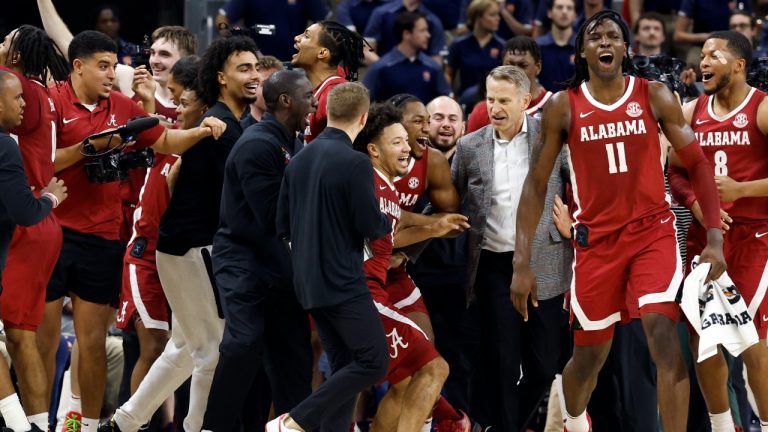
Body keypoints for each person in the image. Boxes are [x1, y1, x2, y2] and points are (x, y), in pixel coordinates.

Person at [511, 10, 727, 432]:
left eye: (614, 35)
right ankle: (574, 422)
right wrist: (523, 262)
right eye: (596, 36)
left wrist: (714, 237)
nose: (605, 41)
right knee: (589, 357)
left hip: (653, 232)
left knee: (662, 339)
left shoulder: (654, 95)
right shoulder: (563, 107)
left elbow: (698, 165)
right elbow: (535, 187)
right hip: (597, 243)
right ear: (583, 51)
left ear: (626, 48)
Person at [30, 14, 225, 431]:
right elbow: (43, 162)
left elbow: (166, 139)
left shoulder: (121, 105)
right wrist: (91, 147)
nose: (110, 74)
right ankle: (37, 423)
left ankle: (88, 424)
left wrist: (204, 132)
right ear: (77, 65)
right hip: (51, 231)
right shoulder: (52, 100)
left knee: (95, 344)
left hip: (102, 237)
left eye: (112, 65)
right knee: (43, 342)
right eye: (103, 65)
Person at [97, 34, 258, 432]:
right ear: (220, 79)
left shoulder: (227, 124)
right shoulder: (216, 125)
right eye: (244, 68)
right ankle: (197, 427)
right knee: (211, 352)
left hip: (184, 249)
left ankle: (125, 421)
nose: (254, 76)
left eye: (256, 67)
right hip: (188, 250)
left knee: (185, 348)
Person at [451, 65, 571, 430]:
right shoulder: (469, 146)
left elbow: (582, 192)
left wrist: (575, 226)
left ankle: (508, 424)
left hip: (546, 263)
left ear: (525, 101)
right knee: (502, 362)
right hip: (493, 266)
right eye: (490, 99)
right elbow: (448, 200)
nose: (495, 107)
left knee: (544, 365)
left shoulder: (551, 140)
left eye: (504, 100)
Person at [202, 69, 317, 431]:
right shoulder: (258, 144)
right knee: (244, 342)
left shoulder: (292, 143)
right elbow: (271, 215)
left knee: (294, 357)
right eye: (308, 96)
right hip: (242, 260)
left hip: (279, 265)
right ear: (285, 101)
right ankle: (212, 426)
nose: (314, 102)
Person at [271, 82, 390, 432]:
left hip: (307, 283)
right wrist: (385, 219)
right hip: (342, 280)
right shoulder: (355, 162)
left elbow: (283, 225)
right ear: (364, 117)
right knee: (373, 361)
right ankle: (295, 420)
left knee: (344, 365)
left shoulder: (299, 159)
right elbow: (370, 223)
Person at [668, 30, 768, 432]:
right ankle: (723, 425)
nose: (703, 62)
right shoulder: (693, 111)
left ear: (739, 65)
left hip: (754, 236)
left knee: (750, 340)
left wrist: (742, 190)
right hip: (706, 237)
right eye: (702, 55)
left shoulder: (761, 108)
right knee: (700, 338)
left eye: (714, 55)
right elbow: (674, 168)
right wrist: (694, 201)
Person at [353, 102, 468, 432]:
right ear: (375, 148)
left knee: (415, 374)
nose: (412, 142)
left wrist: (433, 228)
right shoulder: (363, 180)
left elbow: (396, 226)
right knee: (431, 369)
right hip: (362, 288)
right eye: (400, 139)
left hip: (390, 278)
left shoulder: (390, 181)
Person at [113, 60, 205, 403]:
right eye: (175, 101)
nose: (177, 108)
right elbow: (150, 119)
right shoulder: (167, 134)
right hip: (145, 254)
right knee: (151, 344)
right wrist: (148, 100)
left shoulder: (205, 144)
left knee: (182, 350)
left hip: (182, 261)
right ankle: (126, 423)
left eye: (182, 102)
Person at [0, 24, 70, 432]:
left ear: (18, 56)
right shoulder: (40, 91)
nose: (0, 45)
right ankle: (36, 425)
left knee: (20, 338)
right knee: (21, 336)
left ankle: (24, 425)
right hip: (40, 219)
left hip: (25, 221)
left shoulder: (20, 90)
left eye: (6, 42)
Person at [407, 96, 476, 417]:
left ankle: (458, 420)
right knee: (412, 360)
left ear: (463, 127)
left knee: (458, 357)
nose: (445, 124)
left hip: (459, 278)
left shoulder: (474, 164)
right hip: (412, 275)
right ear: (424, 123)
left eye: (452, 118)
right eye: (437, 117)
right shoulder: (403, 160)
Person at [290, 20, 367, 143]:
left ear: (322, 53)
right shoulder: (318, 88)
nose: (297, 38)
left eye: (306, 36)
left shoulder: (335, 95)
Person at [467, 36, 553, 132]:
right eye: (509, 65)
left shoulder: (554, 106)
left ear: (538, 67)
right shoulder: (483, 111)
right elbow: (469, 146)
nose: (514, 71)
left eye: (522, 66)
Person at [364, 12, 451, 103]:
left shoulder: (433, 67)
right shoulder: (381, 68)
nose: (428, 35)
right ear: (407, 34)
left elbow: (445, 100)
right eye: (422, 30)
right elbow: (364, 102)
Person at [214, 0, 329, 61]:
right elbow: (222, 17)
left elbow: (326, 23)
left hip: (295, 64)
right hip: (259, 63)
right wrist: (226, 33)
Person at [444, 0, 504, 96]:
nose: (498, 19)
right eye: (492, 15)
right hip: (465, 100)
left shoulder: (502, 46)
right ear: (478, 17)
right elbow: (448, 74)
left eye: (498, 14)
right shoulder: (459, 44)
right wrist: (451, 97)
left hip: (494, 100)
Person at [363, 0, 446, 64]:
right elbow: (366, 51)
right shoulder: (381, 14)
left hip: (419, 78)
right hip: (384, 77)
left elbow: (437, 59)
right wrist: (386, 68)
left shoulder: (433, 21)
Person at [535, 0, 577, 91]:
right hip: (544, 104)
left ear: (575, 15)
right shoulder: (537, 47)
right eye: (559, 7)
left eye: (569, 8)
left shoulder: (583, 48)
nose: (564, 11)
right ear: (549, 13)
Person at [241, 55, 283, 128]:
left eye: (278, 83)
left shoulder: (295, 128)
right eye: (265, 84)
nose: (273, 90)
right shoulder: (239, 130)